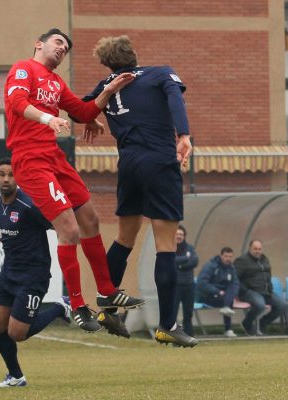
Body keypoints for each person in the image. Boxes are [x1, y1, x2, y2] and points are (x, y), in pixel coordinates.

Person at [3, 28, 144, 333]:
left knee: (91, 219)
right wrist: (47, 118)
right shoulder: (23, 68)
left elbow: (80, 110)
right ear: (38, 43)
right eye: (58, 42)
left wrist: (108, 93)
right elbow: (17, 103)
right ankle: (78, 306)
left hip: (53, 156)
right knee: (68, 229)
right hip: (30, 159)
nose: (62, 49)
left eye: (66, 48)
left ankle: (106, 290)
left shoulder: (55, 82)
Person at [76, 35, 196, 346]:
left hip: (129, 165)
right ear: (134, 54)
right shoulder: (160, 73)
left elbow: (80, 112)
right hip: (159, 161)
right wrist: (183, 135)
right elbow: (175, 99)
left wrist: (95, 119)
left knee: (125, 238)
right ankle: (167, 325)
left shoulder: (107, 85)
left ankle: (107, 303)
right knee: (166, 244)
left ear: (107, 63)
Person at [0, 158, 72, 388]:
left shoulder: (30, 206)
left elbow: (61, 225)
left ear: (18, 178)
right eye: (2, 174)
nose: (6, 179)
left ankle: (60, 307)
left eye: (11, 175)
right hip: (9, 273)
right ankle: (15, 376)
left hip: (33, 275)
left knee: (17, 332)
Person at [234, 240, 287, 336]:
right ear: (250, 249)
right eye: (255, 249)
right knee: (260, 305)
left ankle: (263, 323)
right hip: (248, 292)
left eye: (259, 249)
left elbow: (268, 275)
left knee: (282, 304)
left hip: (266, 291)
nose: (257, 251)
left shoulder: (264, 259)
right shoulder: (242, 261)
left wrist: (269, 288)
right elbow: (234, 278)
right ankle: (247, 323)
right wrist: (244, 290)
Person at [197, 247, 240, 338]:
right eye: (226, 256)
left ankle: (226, 308)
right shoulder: (211, 266)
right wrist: (217, 291)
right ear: (221, 256)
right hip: (207, 296)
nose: (228, 259)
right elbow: (201, 283)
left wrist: (232, 294)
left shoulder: (231, 268)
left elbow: (235, 283)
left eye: (230, 256)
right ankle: (228, 329)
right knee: (228, 300)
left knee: (230, 292)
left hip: (223, 296)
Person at [173, 225, 198, 337]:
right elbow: (171, 260)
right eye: (177, 234)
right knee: (172, 314)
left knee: (188, 314)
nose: (179, 236)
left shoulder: (190, 248)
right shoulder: (170, 248)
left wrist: (180, 266)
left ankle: (189, 337)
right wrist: (185, 258)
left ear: (184, 236)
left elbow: (195, 261)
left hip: (189, 286)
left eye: (181, 234)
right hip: (175, 286)